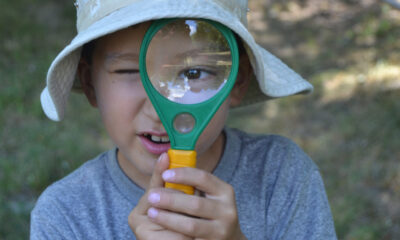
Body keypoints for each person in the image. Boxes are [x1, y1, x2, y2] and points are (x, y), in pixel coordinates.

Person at [31, 0, 337, 239]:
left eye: (192, 73)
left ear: (237, 81)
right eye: (130, 72)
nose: (158, 108)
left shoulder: (281, 175)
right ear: (89, 84)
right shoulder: (64, 215)